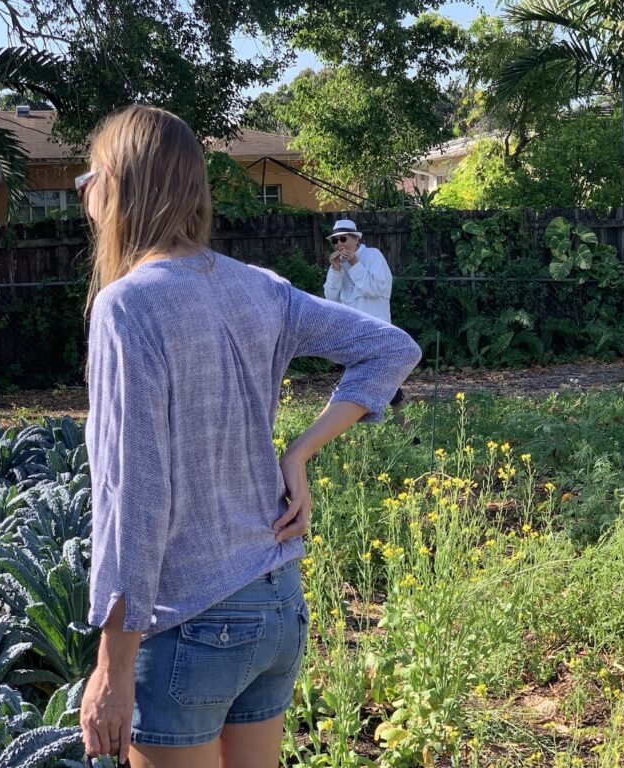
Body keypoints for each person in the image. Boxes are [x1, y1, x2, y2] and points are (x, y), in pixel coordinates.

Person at [77, 106, 421, 768]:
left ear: (118, 182)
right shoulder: (257, 287)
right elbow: (390, 347)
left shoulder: (128, 305)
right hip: (273, 601)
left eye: (89, 178)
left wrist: (112, 669)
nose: (84, 194)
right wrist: (299, 452)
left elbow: (136, 492)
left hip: (188, 620)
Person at [323, 220, 408, 424]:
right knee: (376, 379)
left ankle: (403, 427)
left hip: (377, 330)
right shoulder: (339, 264)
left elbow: (377, 289)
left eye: (343, 239)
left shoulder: (373, 256)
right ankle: (398, 427)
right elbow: (329, 298)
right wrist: (335, 271)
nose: (339, 244)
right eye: (335, 241)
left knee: (379, 378)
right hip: (352, 332)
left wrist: (354, 265)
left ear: (356, 239)